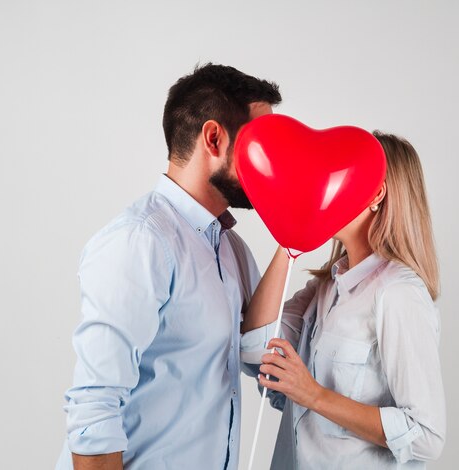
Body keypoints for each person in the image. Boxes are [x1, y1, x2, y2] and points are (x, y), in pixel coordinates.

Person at [56, 63, 281, 470]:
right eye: (262, 143)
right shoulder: (141, 241)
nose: (273, 160)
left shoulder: (232, 250)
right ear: (213, 138)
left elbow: (261, 363)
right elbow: (94, 409)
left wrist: (296, 230)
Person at [240, 132, 446, 469]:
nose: (326, 191)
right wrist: (288, 233)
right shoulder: (325, 288)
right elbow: (252, 346)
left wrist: (315, 396)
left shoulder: (398, 295)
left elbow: (426, 435)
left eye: (341, 180)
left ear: (376, 194)